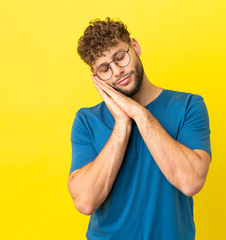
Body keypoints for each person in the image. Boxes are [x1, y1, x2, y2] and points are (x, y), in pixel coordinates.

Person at [67, 17, 212, 240]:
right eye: (104, 68)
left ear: (135, 46)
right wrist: (122, 124)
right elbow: (85, 201)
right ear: (95, 77)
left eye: (120, 57)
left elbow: (190, 181)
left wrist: (140, 114)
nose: (116, 72)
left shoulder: (189, 106)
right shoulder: (87, 120)